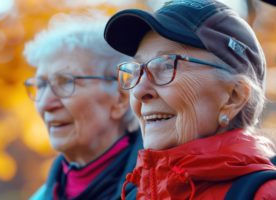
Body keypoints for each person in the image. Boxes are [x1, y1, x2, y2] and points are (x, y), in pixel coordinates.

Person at [104, 0, 276, 199]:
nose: (139, 91)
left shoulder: (264, 194)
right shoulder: (136, 192)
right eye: (137, 70)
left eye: (166, 66)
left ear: (233, 97)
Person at [23, 13, 141, 200]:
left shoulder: (162, 188)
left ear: (120, 98)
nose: (45, 104)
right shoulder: (40, 196)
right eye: (41, 85)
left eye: (65, 82)